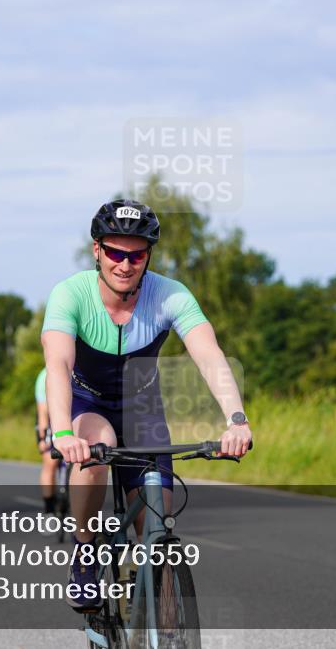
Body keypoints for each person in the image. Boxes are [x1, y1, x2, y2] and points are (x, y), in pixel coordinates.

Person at [41, 199, 253, 610]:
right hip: (90, 403)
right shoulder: (70, 294)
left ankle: (163, 621)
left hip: (142, 410)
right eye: (115, 253)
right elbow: (58, 365)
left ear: (148, 255)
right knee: (94, 449)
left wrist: (237, 419)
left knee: (155, 524)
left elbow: (209, 355)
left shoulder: (169, 294)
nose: (125, 264)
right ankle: (85, 550)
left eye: (136, 254)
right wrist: (63, 432)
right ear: (97, 251)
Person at [34, 368, 58, 525]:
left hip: (72, 416)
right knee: (50, 463)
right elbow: (43, 412)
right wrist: (43, 438)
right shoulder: (44, 377)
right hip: (49, 420)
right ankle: (49, 510)